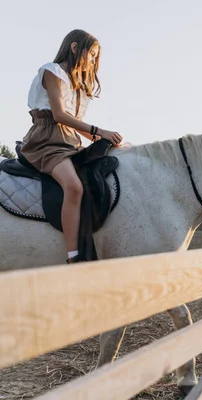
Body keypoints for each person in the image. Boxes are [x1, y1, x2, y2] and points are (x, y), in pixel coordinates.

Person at [20, 29, 123, 264]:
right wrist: (100, 131)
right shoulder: (52, 72)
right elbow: (58, 115)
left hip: (69, 140)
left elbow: (75, 126)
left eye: (97, 57)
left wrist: (103, 141)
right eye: (92, 54)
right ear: (75, 48)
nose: (94, 61)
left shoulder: (79, 88)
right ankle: (73, 256)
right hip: (46, 140)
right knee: (74, 186)